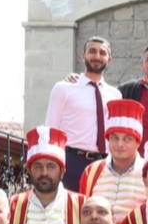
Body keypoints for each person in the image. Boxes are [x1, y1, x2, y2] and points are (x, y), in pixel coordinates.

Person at [45, 36, 118, 187]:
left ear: (109, 59)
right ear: (83, 55)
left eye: (102, 53)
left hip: (105, 164)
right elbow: (50, 130)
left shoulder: (116, 95)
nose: (97, 56)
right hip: (71, 161)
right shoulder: (64, 88)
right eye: (92, 51)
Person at [6, 127, 82, 224]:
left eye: (51, 166)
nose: (44, 172)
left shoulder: (82, 204)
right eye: (38, 166)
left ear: (62, 171)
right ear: (29, 170)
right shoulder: (12, 205)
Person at [78, 99, 148, 223]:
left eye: (127, 139)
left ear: (138, 142)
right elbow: (83, 212)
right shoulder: (92, 171)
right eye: (114, 138)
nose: (119, 144)